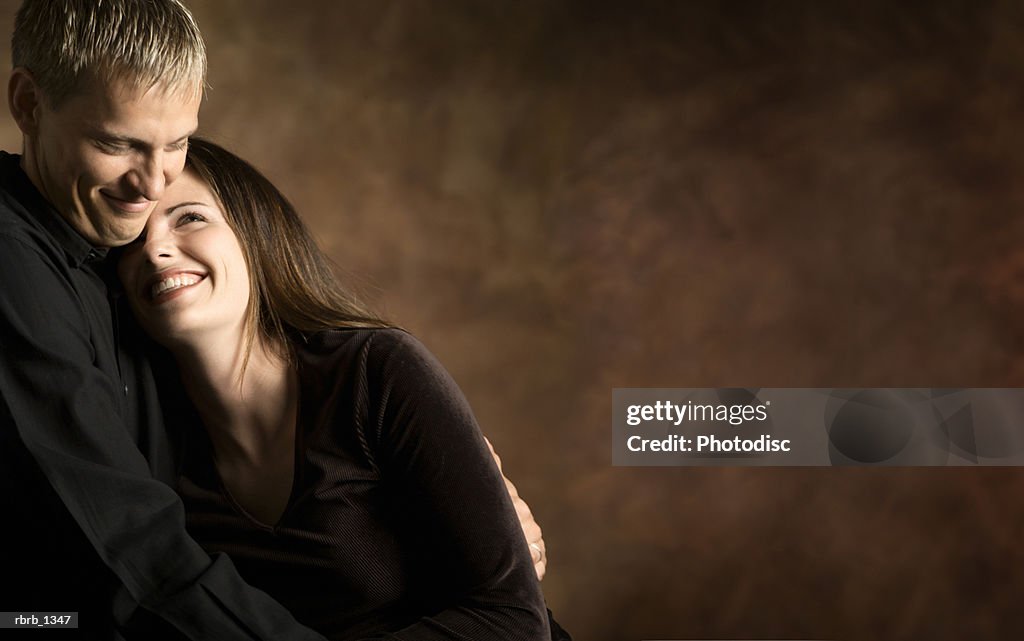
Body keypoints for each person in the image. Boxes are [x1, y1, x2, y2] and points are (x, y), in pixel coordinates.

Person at [0, 1, 545, 638]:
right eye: (117, 143)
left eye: (175, 144)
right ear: (29, 105)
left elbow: (508, 611)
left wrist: (478, 504)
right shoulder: (25, 263)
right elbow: (134, 546)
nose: (149, 186)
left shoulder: (367, 372)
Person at [116, 137, 567, 640]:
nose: (154, 248)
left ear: (253, 233)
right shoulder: (147, 444)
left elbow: (512, 620)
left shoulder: (374, 371)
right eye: (132, 238)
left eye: (189, 218)